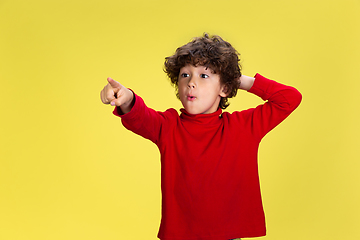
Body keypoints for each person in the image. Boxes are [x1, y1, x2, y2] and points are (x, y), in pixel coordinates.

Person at [100, 33, 302, 240]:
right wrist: (126, 98)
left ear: (224, 88)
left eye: (204, 75)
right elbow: (140, 115)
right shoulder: (168, 126)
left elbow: (289, 98)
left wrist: (235, 80)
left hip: (228, 236)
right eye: (185, 75)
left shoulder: (243, 127)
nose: (191, 83)